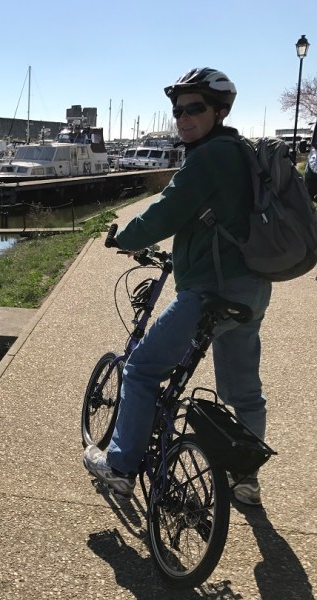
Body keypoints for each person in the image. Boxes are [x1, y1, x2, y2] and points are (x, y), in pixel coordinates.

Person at [83, 67, 272, 506]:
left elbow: (167, 211)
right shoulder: (240, 151)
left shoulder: (209, 157)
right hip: (251, 290)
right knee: (243, 389)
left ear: (220, 111)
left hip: (209, 291)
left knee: (142, 368)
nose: (183, 117)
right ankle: (245, 479)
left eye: (195, 108)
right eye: (178, 110)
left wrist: (124, 238)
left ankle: (121, 465)